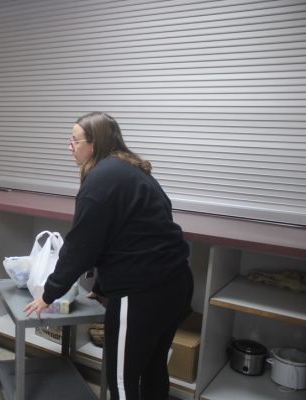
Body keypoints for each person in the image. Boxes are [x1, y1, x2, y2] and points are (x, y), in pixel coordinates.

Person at [24, 112, 194, 400]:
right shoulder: (132, 170)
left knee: (122, 382)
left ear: (93, 144)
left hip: (142, 294)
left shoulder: (98, 181)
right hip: (176, 285)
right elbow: (129, 234)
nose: (69, 147)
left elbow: (80, 246)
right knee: (154, 370)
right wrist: (102, 288)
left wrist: (49, 293)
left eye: (73, 140)